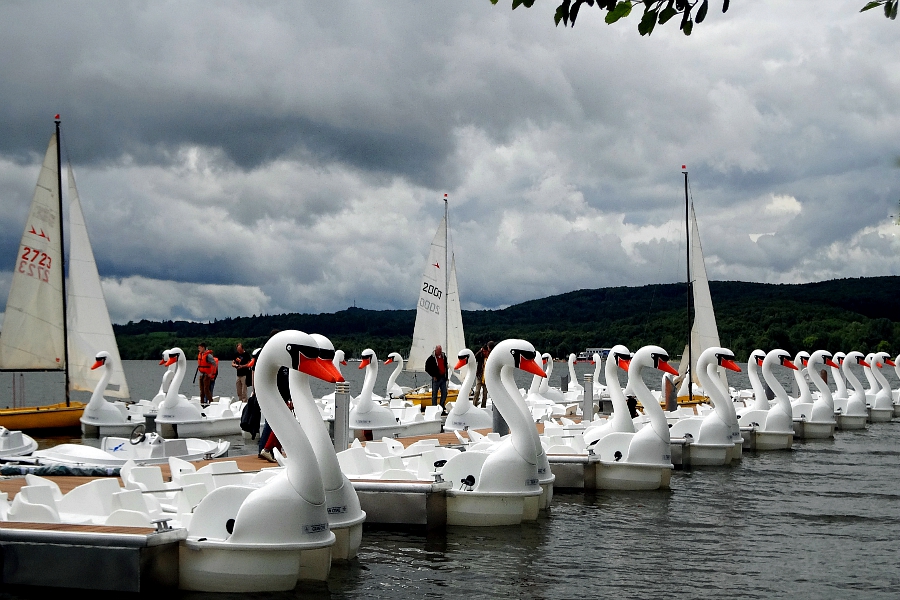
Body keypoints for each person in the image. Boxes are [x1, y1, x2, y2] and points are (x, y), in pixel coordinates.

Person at [425, 344, 449, 411]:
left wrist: (446, 375)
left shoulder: (444, 357)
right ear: (436, 350)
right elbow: (427, 368)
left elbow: (445, 366)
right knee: (434, 394)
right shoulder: (431, 358)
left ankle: (441, 406)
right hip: (436, 378)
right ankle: (434, 407)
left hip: (443, 378)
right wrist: (433, 375)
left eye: (441, 350)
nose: (440, 351)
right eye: (439, 350)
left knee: (444, 393)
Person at [473, 341, 494, 408]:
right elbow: (475, 358)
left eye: (486, 351)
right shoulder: (481, 354)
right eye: (484, 351)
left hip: (486, 377)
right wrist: (480, 351)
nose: (485, 353)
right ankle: (474, 405)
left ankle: (483, 406)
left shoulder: (491, 356)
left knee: (485, 393)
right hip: (480, 375)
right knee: (477, 391)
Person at [197, 342, 218, 407]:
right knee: (202, 390)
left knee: (206, 390)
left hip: (207, 375)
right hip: (201, 375)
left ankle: (211, 402)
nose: (199, 349)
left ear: (203, 347)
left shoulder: (208, 355)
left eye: (200, 348)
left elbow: (214, 364)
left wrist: (211, 373)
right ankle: (202, 404)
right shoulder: (201, 355)